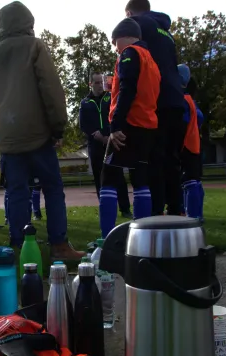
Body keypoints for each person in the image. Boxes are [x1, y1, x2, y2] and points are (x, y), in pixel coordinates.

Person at [0, 1, 85, 260]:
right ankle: (59, 245)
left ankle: (19, 246)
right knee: (52, 188)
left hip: (9, 136)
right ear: (28, 22)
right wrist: (58, 127)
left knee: (16, 192)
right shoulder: (34, 46)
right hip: (37, 134)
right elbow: (50, 89)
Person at [99, 18, 160, 239]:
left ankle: (106, 237)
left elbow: (127, 90)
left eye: (115, 42)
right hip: (147, 125)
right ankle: (141, 236)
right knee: (140, 178)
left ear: (123, 37)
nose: (115, 48)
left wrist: (115, 126)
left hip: (128, 125)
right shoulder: (150, 59)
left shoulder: (129, 54)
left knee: (108, 176)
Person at [125, 0, 186, 216]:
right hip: (176, 99)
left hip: (155, 99)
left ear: (130, 12)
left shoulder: (137, 24)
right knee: (172, 157)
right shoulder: (166, 32)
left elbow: (135, 60)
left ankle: (156, 210)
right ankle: (177, 208)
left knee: (153, 158)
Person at [79, 72, 132, 218]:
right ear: (90, 84)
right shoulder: (85, 103)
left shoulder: (110, 98)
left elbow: (117, 115)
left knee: (118, 175)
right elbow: (83, 124)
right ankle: (105, 208)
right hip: (95, 144)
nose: (99, 85)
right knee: (99, 176)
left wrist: (111, 134)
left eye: (101, 82)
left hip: (112, 140)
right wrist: (96, 134)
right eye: (96, 82)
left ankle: (125, 208)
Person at [178, 64, 205, 220]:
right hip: (194, 145)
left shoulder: (182, 100)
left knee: (189, 181)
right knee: (194, 180)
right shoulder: (191, 100)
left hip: (186, 145)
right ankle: (196, 215)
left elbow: (182, 123)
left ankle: (192, 216)